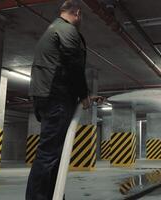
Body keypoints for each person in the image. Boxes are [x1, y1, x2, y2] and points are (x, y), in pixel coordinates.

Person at [26, 0, 101, 199]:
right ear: (77, 13)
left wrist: (83, 95)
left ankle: (54, 195)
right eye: (81, 16)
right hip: (55, 97)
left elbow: (61, 66)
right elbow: (73, 64)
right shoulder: (67, 30)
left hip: (46, 95)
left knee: (53, 154)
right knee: (49, 154)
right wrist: (83, 94)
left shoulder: (52, 29)